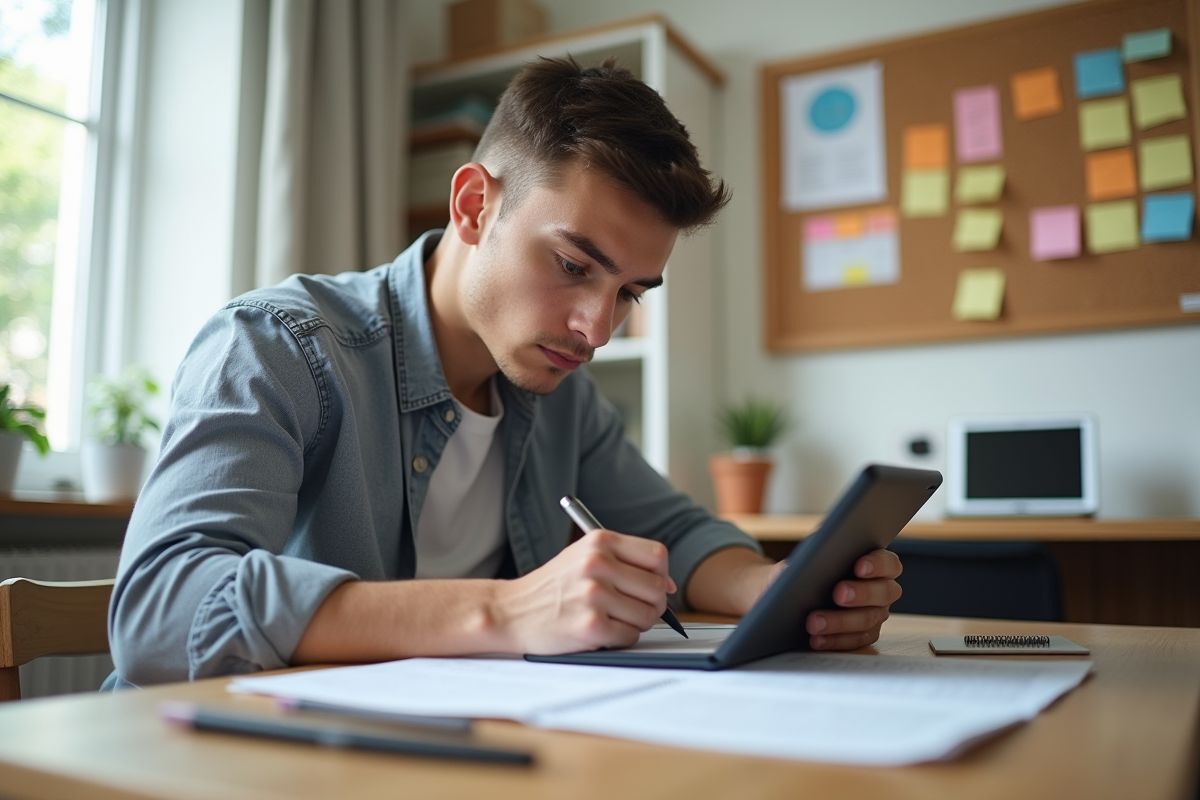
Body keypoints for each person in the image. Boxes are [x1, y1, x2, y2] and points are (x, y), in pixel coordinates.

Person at [107, 57, 902, 687]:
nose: (596, 328)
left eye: (628, 293)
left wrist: (771, 593)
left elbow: (680, 533)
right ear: (472, 206)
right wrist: (509, 611)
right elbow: (158, 612)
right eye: (570, 264)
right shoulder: (278, 346)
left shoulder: (560, 396)